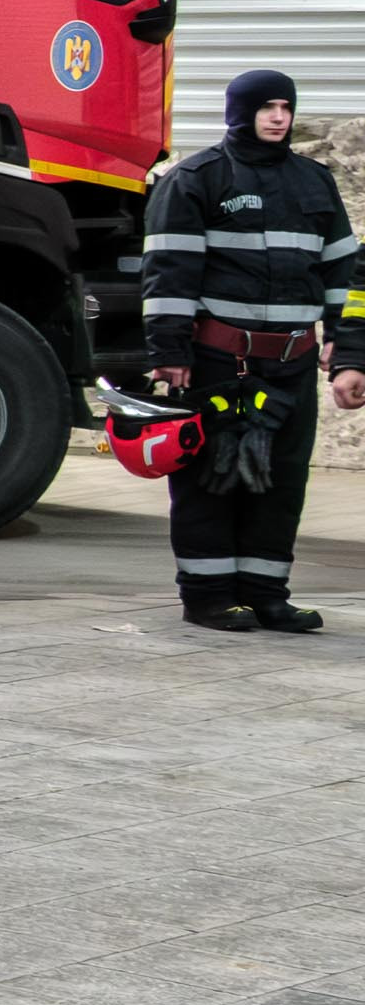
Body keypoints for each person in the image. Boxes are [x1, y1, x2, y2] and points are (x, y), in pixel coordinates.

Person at [141, 67, 363, 632]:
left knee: (282, 482)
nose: (278, 118)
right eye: (266, 107)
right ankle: (208, 596)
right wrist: (170, 352)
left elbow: (345, 276)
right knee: (212, 480)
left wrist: (351, 354)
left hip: (290, 366)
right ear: (238, 111)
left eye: (285, 108)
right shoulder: (196, 178)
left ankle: (267, 593)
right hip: (219, 364)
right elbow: (169, 271)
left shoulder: (315, 181)